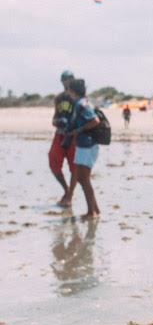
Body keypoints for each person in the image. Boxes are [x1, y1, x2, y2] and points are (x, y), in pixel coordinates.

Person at [65, 79, 100, 219]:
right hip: (85, 144)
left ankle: (92, 212)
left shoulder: (81, 104)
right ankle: (95, 209)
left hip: (87, 145)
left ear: (72, 91)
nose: (67, 92)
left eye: (68, 89)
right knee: (81, 178)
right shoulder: (84, 102)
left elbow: (95, 121)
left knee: (83, 179)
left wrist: (77, 130)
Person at [50, 70, 76, 207]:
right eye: (64, 79)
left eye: (69, 78)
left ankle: (69, 195)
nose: (67, 81)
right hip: (60, 134)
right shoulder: (58, 98)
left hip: (74, 136)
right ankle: (66, 189)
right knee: (53, 162)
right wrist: (56, 121)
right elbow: (54, 117)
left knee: (74, 167)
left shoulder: (78, 98)